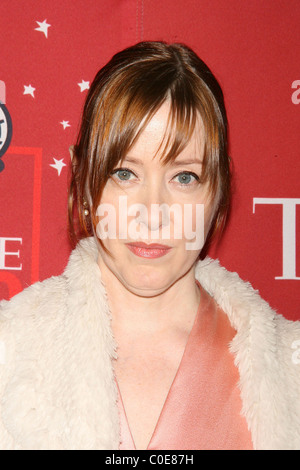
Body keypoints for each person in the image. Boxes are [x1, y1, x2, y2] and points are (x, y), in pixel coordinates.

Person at [0, 41, 299, 451]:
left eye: (185, 177)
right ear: (84, 181)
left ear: (220, 190)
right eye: (124, 173)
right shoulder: (9, 350)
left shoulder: (290, 369)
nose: (152, 212)